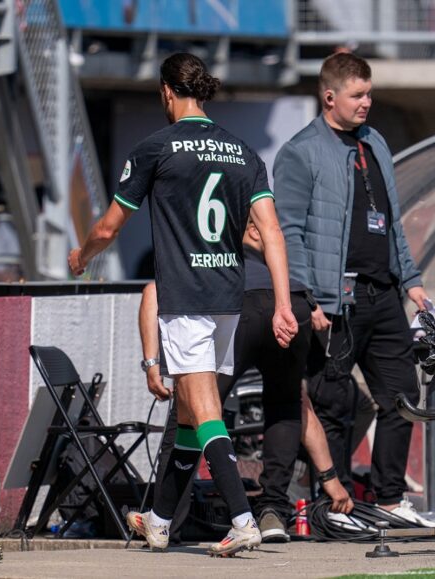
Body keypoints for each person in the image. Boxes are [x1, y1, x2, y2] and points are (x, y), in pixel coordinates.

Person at [68, 53, 298, 556]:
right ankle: (159, 519)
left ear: (167, 92)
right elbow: (271, 232)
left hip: (186, 297)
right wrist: (284, 303)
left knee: (205, 410)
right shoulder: (243, 152)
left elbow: (109, 226)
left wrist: (81, 255)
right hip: (227, 299)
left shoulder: (156, 148)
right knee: (193, 419)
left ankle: (242, 519)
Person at [273, 52, 432, 521]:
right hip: (333, 300)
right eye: (357, 95)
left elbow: (393, 222)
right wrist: (307, 298)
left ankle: (389, 498)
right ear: (329, 97)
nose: (367, 102)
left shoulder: (376, 142)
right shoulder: (300, 151)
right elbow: (288, 233)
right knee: (334, 404)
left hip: (383, 294)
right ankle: (333, 508)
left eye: (369, 93)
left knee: (402, 397)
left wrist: (413, 281)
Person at [139, 218, 353, 545]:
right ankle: (272, 513)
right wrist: (330, 478)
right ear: (256, 232)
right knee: (286, 406)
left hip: (238, 304)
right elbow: (302, 407)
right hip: (296, 304)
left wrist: (152, 362)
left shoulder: (209, 251)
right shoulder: (280, 275)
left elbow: (152, 290)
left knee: (194, 409)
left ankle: (169, 522)